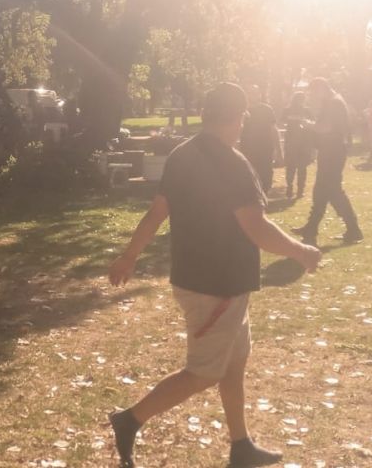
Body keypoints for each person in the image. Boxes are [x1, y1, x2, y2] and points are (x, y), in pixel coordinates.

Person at [106, 83, 322, 468]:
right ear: (239, 118)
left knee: (234, 362)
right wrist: (301, 251)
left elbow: (157, 212)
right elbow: (256, 228)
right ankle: (129, 420)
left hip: (206, 281)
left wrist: (128, 257)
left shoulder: (181, 154)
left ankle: (241, 446)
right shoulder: (233, 164)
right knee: (203, 373)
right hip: (216, 288)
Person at [292, 78, 363, 246]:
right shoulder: (334, 101)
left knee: (333, 191)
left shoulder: (334, 103)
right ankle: (311, 228)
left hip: (333, 152)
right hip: (330, 151)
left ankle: (353, 229)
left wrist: (308, 125)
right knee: (321, 190)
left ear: (322, 89)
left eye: (314, 92)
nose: (314, 97)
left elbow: (326, 128)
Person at [240, 98, 279, 194]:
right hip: (247, 150)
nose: (251, 95)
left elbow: (273, 129)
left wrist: (278, 150)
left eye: (254, 92)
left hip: (265, 149)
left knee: (266, 176)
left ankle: (263, 196)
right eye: (249, 92)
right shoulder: (241, 110)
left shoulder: (266, 109)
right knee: (249, 176)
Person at [281, 91, 313, 199]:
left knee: (298, 167)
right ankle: (292, 188)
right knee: (294, 166)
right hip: (294, 142)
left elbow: (312, 122)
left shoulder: (306, 110)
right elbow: (282, 121)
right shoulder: (288, 110)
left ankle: (297, 189)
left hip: (302, 142)